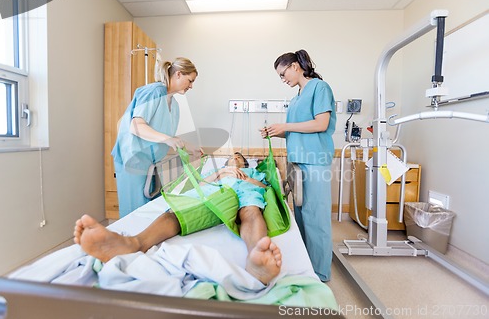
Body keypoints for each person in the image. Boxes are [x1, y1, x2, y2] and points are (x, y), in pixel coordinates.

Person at [74, 152, 283, 285]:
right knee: (177, 214)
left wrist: (248, 178)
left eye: (238, 158)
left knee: (251, 213)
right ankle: (133, 243)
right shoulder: (219, 172)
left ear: (245, 162)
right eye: (231, 158)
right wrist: (221, 174)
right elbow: (199, 187)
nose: (234, 159)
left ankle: (256, 257)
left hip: (245, 190)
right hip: (216, 191)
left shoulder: (253, 172)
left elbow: (266, 189)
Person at [259, 50, 336, 282]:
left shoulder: (319, 88)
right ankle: (306, 265)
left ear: (295, 66)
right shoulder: (296, 97)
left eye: (283, 74)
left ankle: (320, 272)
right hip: (298, 162)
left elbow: (321, 124)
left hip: (314, 160)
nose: (283, 79)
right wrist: (277, 132)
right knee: (302, 216)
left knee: (317, 218)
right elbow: (297, 132)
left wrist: (286, 126)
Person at [112, 57, 202, 218]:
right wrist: (168, 140)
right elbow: (136, 126)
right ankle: (127, 241)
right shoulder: (153, 92)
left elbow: (165, 134)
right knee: (136, 214)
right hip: (132, 159)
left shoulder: (173, 105)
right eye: (190, 81)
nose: (192, 86)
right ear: (179, 74)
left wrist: (190, 147)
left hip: (149, 163)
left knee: (150, 211)